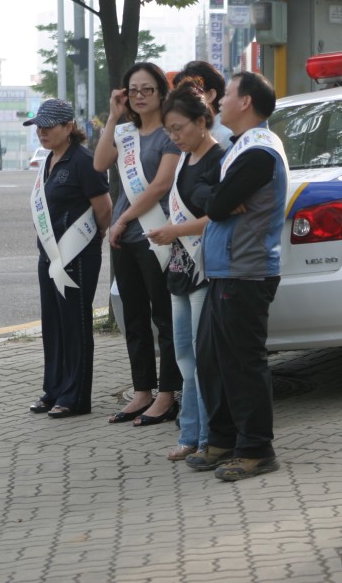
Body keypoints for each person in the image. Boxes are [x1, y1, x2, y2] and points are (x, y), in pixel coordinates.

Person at [186, 71, 289, 482]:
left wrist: (217, 200)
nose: (220, 101)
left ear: (246, 102)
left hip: (246, 271)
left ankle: (256, 449)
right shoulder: (238, 148)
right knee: (214, 360)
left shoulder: (260, 151)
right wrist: (217, 199)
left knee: (243, 363)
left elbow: (218, 202)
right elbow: (200, 190)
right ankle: (224, 439)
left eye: (226, 94)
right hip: (225, 270)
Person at [93, 62, 182, 426]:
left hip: (155, 235)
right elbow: (100, 163)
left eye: (148, 89)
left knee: (164, 316)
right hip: (124, 239)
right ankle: (142, 390)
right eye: (133, 90)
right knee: (133, 318)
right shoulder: (126, 133)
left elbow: (160, 186)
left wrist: (123, 219)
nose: (140, 96)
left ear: (162, 92)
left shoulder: (170, 134)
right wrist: (112, 119)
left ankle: (167, 394)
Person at [146, 80, 226, 461]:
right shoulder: (182, 160)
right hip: (179, 268)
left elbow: (220, 216)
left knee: (201, 356)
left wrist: (175, 230)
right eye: (169, 131)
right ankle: (190, 432)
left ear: (202, 120)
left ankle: (209, 434)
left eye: (179, 128)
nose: (174, 137)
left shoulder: (219, 159)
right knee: (183, 356)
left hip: (204, 268)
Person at [28, 99, 111, 419]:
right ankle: (54, 389)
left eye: (48, 126)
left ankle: (75, 396)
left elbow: (103, 209)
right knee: (53, 324)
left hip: (77, 256)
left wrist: (96, 236)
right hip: (48, 256)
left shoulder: (84, 161)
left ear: (68, 127)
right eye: (39, 126)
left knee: (75, 325)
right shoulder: (50, 160)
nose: (42, 131)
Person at [172, 60, 234, 149]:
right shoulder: (188, 135)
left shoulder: (225, 137)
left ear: (210, 95)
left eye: (189, 94)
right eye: (179, 95)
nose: (181, 102)